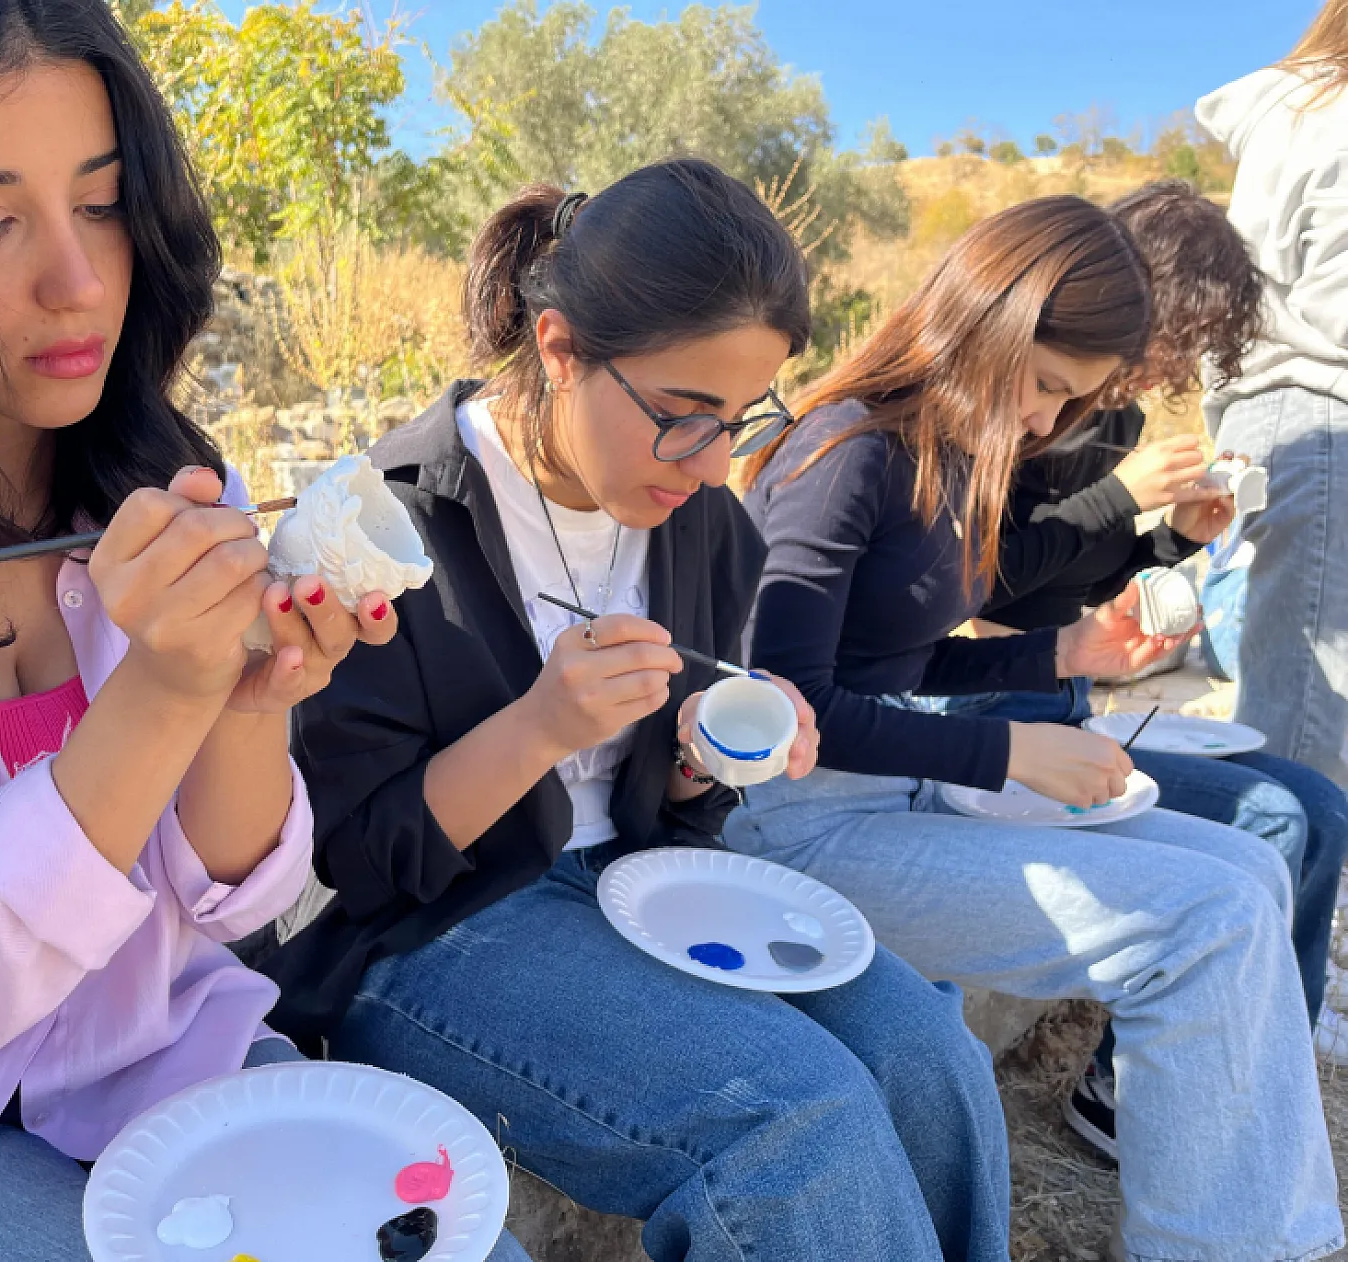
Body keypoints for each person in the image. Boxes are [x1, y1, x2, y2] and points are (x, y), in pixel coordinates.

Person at [0, 3, 531, 1260]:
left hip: (143, 1066)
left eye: (105, 199)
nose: (76, 282)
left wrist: (245, 702)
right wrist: (163, 694)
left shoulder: (163, 482)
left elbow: (231, 894)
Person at [260, 160, 1013, 1262]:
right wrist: (536, 729)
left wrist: (698, 765)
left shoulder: (706, 525)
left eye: (741, 416)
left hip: (636, 889)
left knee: (922, 1051)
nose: (713, 464)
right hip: (435, 934)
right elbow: (348, 868)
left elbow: (670, 820)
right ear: (558, 348)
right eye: (680, 414)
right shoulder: (378, 525)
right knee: (799, 1119)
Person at [725, 195, 1341, 1262]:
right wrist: (1007, 746)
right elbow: (788, 704)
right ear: (985, 322)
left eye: (1077, 398)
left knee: (1247, 869)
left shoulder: (953, 452)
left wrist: (1062, 655)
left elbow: (908, 665)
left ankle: (1262, 1236)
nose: (1052, 424)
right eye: (1048, 385)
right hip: (788, 825)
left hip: (893, 789)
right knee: (1201, 916)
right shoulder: (842, 452)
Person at [903, 181, 1348, 1092]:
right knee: (1272, 816)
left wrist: (1177, 538)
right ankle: (1131, 1091)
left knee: (1320, 802)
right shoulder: (1021, 404)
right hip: (988, 693)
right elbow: (977, 583)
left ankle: (1273, 1066)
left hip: (1063, 693)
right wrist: (1122, 495)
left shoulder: (1119, 419)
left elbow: (1085, 579)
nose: (1159, 370)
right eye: (1172, 338)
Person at [1196, 0, 1348, 787]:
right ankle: (1286, 903)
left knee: (1298, 694)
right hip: (1324, 414)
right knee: (1309, 716)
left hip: (1282, 412)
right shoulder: (1335, 110)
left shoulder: (1305, 109)